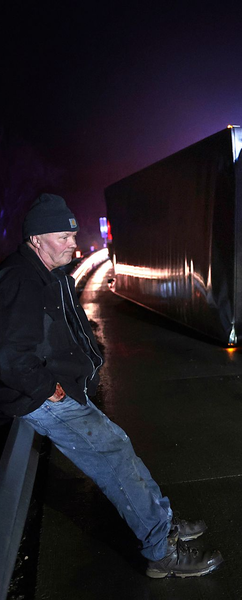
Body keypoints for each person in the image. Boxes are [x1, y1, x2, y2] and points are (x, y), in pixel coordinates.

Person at [0, 194, 223, 578]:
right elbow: (8, 353)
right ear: (36, 239)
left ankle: (162, 522)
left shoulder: (49, 273)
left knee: (118, 448)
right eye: (63, 237)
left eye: (73, 235)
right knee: (112, 458)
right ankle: (160, 553)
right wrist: (49, 389)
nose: (73, 243)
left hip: (64, 387)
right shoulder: (21, 278)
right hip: (46, 396)